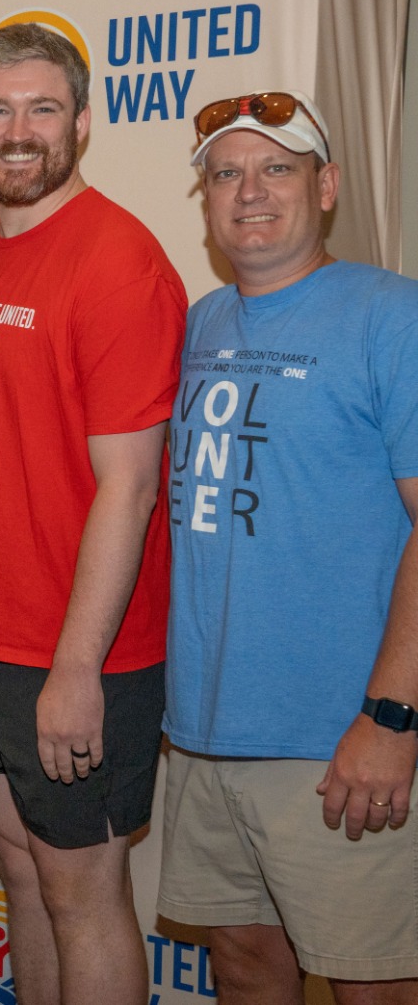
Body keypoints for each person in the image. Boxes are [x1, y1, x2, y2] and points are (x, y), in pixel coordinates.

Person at [0, 23, 188, 1005]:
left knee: (83, 893)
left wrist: (77, 666)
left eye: (42, 108)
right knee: (24, 878)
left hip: (79, 652)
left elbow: (128, 487)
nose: (17, 130)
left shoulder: (119, 260)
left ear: (82, 122)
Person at [158, 92, 418, 1004]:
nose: (250, 192)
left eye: (278, 168)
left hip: (338, 739)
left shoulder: (392, 315)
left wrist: (390, 718)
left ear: (328, 186)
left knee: (369, 983)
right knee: (242, 965)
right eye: (226, 173)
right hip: (201, 734)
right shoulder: (195, 325)